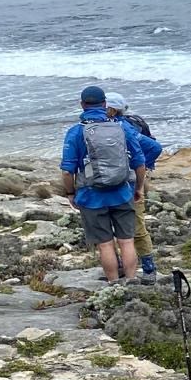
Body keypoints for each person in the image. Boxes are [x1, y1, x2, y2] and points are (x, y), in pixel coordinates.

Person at [59, 85, 146, 285]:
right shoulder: (122, 127)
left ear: (82, 105)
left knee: (105, 245)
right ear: (105, 104)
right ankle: (131, 281)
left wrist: (70, 193)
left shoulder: (75, 132)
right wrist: (138, 188)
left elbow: (67, 170)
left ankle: (114, 284)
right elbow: (139, 162)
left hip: (91, 196)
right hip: (122, 192)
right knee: (127, 241)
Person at [104, 92, 163, 284]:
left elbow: (154, 147)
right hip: (117, 182)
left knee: (136, 228)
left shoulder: (124, 128)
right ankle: (126, 266)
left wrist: (139, 169)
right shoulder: (106, 126)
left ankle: (148, 269)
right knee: (125, 229)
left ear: (112, 109)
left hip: (128, 184)